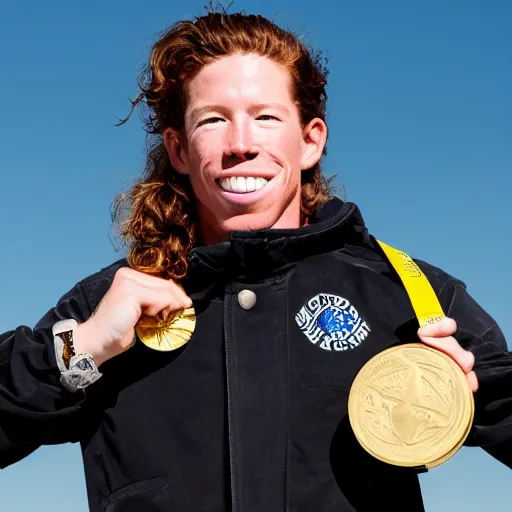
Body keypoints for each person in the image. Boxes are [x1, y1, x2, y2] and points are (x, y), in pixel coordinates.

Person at [0, 10, 510, 512]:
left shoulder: (410, 297)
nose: (241, 144)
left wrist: (473, 398)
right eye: (213, 120)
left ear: (310, 140)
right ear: (178, 149)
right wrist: (81, 349)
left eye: (266, 117)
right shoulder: (111, 305)